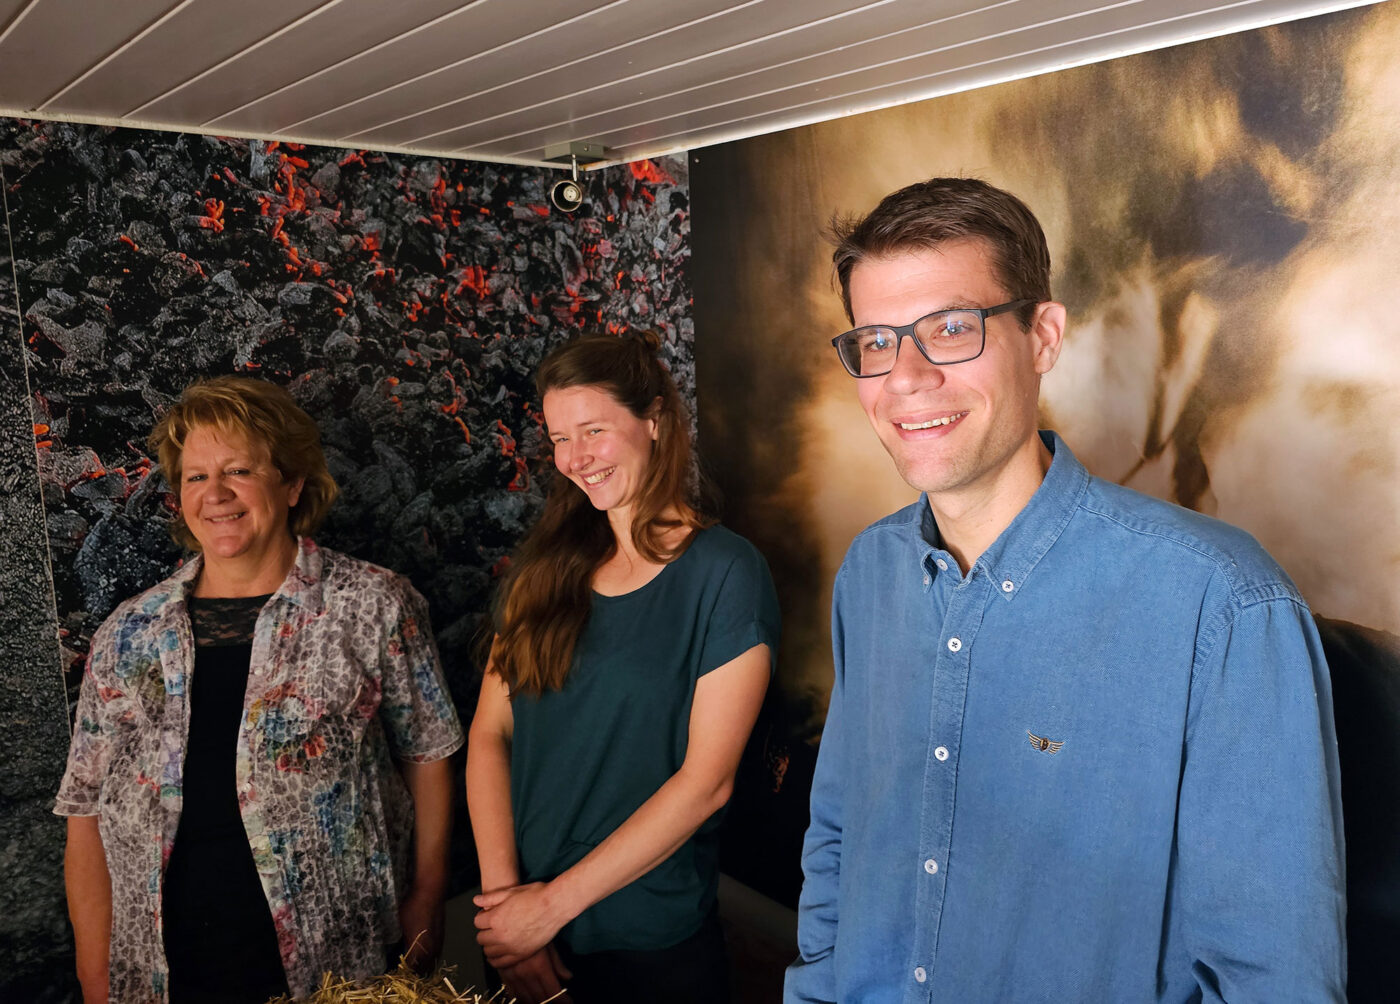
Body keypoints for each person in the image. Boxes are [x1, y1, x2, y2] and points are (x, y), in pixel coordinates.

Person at [784, 178, 1346, 1002]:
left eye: (949, 328)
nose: (904, 377)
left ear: (1042, 336)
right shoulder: (870, 574)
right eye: (875, 341)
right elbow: (839, 835)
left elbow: (1276, 979)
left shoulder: (1222, 605)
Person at [55, 376, 464, 1004]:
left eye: (238, 470)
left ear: (293, 482)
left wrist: (427, 896)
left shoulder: (372, 604)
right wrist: (94, 973)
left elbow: (429, 754)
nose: (214, 495)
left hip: (335, 963)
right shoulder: (129, 631)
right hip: (166, 971)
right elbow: (84, 813)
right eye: (195, 477)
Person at [467, 331, 780, 1004]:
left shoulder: (725, 573)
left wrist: (547, 908)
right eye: (558, 439)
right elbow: (490, 734)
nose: (576, 459)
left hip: (649, 944)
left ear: (656, 422)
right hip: (525, 933)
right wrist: (504, 912)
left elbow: (706, 784)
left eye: (594, 431)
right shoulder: (543, 569)